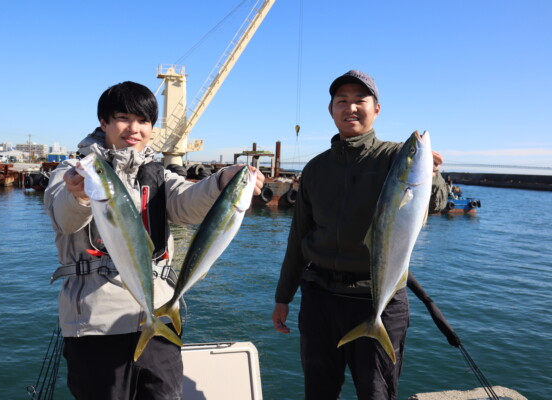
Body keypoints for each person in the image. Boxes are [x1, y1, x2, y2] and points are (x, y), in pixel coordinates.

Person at [44, 81, 264, 400]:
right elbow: (63, 218)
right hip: (96, 324)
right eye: (123, 117)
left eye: (144, 121)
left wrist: (220, 182)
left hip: (158, 320)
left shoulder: (158, 176)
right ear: (103, 121)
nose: (134, 128)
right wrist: (78, 195)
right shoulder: (74, 171)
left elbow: (188, 203)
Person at [271, 70, 447, 399]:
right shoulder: (315, 169)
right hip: (319, 299)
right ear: (331, 110)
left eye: (359, 101)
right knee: (318, 392)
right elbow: (298, 239)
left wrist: (433, 174)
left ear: (376, 109)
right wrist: (283, 296)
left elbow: (434, 203)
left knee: (377, 393)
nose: (350, 108)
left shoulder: (396, 157)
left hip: (375, 299)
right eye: (342, 101)